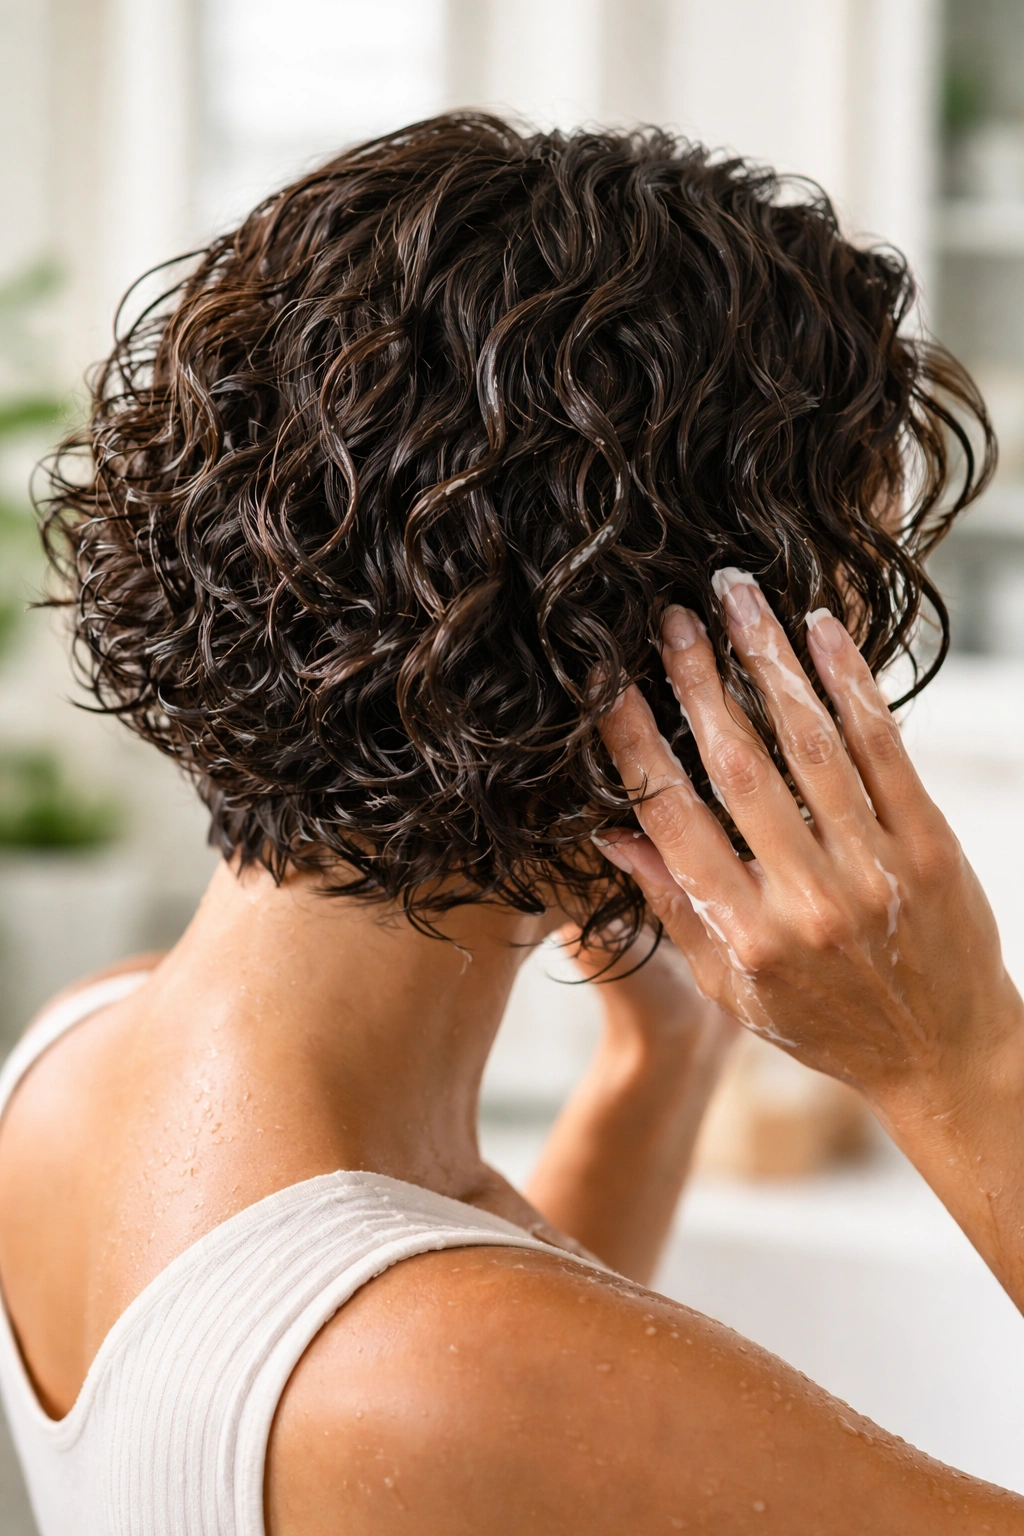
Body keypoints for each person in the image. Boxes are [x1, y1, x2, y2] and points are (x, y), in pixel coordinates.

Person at [0, 111, 1021, 1534]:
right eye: (819, 640)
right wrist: (960, 1052)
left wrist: (661, 1064)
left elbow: (467, 1439)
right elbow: (489, 1396)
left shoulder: (71, 1062)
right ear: (663, 670)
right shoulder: (449, 1376)